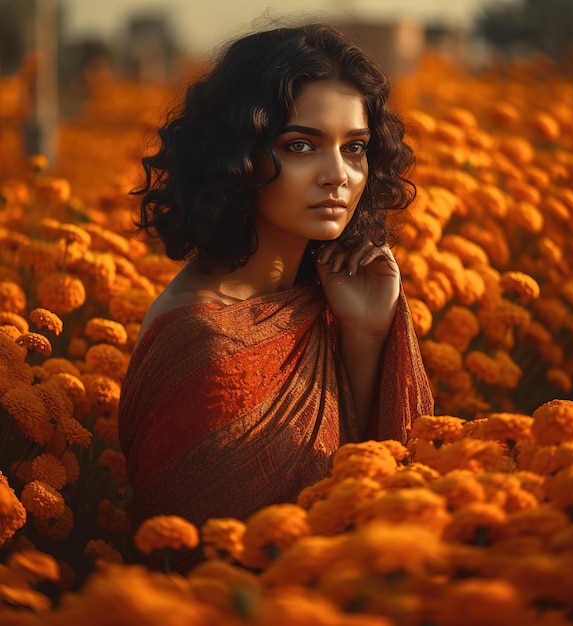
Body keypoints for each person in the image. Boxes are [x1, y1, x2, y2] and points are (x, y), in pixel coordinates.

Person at [118, 22, 433, 572]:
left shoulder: (318, 293)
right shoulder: (203, 338)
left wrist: (365, 333)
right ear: (239, 153)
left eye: (355, 148)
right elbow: (211, 569)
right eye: (300, 145)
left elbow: (359, 481)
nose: (337, 175)